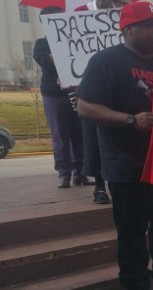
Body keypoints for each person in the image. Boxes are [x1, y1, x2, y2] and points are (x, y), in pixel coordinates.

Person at [77, 1, 153, 290]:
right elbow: (85, 107)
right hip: (128, 163)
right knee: (132, 231)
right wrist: (130, 120)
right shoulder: (106, 62)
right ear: (127, 30)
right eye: (150, 27)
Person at [76, 0, 134, 204]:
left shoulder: (126, 14)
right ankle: (100, 186)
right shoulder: (80, 14)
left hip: (122, 85)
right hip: (93, 85)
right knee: (94, 138)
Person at [33, 6, 91, 189]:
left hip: (75, 92)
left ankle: (79, 172)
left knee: (78, 133)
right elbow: (45, 64)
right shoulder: (41, 44)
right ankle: (63, 173)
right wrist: (57, 53)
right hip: (54, 94)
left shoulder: (73, 39)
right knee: (60, 135)